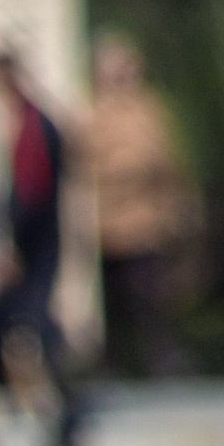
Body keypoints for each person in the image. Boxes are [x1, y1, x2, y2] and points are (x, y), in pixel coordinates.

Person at [0, 51, 83, 446]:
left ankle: (63, 407)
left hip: (31, 245)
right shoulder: (4, 124)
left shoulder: (38, 126)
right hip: (13, 244)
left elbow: (32, 197)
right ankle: (12, 401)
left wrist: (11, 249)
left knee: (34, 324)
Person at [87, 33, 201, 378]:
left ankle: (160, 356)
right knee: (109, 298)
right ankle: (109, 361)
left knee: (150, 294)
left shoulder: (150, 108)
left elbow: (166, 160)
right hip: (104, 219)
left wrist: (179, 205)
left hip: (145, 220)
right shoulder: (90, 112)